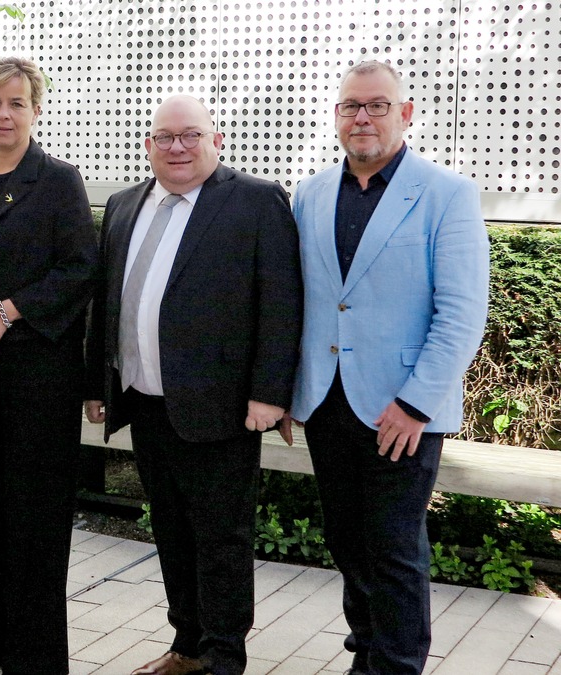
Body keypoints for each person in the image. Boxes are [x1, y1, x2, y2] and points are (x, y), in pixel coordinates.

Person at [279, 61, 489, 675]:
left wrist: (416, 403)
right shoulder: (311, 193)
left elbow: (461, 312)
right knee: (347, 542)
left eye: (377, 105)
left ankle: (397, 665)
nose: (362, 117)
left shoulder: (447, 193)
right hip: (327, 400)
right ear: (336, 116)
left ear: (406, 114)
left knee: (395, 549)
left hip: (403, 407)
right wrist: (288, 391)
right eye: (351, 106)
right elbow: (304, 302)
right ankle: (365, 652)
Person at [84, 95, 302, 675]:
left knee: (221, 539)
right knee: (173, 531)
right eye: (164, 137)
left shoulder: (255, 200)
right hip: (145, 402)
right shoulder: (125, 204)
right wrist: (97, 382)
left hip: (222, 406)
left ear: (216, 141)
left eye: (190, 135)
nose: (177, 147)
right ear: (148, 145)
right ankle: (186, 646)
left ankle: (224, 657)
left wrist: (270, 392)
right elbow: (107, 301)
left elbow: (281, 302)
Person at [0, 57, 97, 675]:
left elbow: (79, 269)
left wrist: (8, 311)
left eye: (16, 103)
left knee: (34, 513)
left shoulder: (58, 180)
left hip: (37, 375)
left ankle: (35, 654)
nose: (3, 114)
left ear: (36, 110)